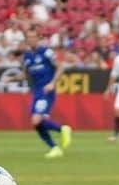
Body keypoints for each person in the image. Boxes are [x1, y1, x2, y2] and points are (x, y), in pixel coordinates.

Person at [6, 30, 72, 158]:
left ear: (38, 38)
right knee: (36, 123)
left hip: (46, 90)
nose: (31, 40)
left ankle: (63, 129)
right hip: (36, 92)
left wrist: (52, 83)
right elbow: (24, 75)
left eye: (33, 37)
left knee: (36, 120)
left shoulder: (46, 52)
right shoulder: (27, 57)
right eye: (29, 38)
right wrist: (11, 79)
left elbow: (61, 67)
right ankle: (55, 148)